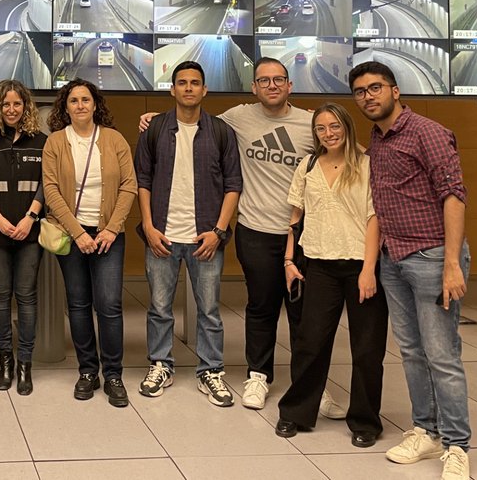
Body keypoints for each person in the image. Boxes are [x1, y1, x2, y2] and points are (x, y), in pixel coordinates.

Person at [138, 57, 343, 417]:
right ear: (254, 88)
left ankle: (305, 385)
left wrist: (218, 231)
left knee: (300, 315)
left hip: (300, 234)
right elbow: (150, 168)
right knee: (257, 310)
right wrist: (152, 116)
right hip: (246, 232)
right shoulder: (233, 119)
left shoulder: (302, 123)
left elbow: (339, 147)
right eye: (264, 80)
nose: (272, 86)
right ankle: (252, 375)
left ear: (290, 85)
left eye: (279, 80)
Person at [349, 62, 472, 480]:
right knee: (413, 353)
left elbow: (453, 195)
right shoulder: (378, 139)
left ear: (396, 90)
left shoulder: (428, 132)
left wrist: (452, 263)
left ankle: (457, 445)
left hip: (434, 257)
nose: (368, 96)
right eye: (361, 91)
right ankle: (428, 429)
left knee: (443, 355)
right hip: (394, 260)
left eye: (375, 88)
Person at [276, 103, 387, 448]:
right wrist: (289, 259)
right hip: (319, 264)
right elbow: (296, 214)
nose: (329, 133)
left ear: (347, 126)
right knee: (311, 342)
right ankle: (296, 413)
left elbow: (375, 219)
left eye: (334, 126)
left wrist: (368, 270)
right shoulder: (308, 164)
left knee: (367, 348)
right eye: (321, 128)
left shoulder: (368, 164)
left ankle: (365, 420)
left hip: (359, 265)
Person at [135, 62, 242, 407]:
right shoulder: (154, 129)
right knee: (159, 307)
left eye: (195, 83)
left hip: (205, 239)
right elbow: (143, 182)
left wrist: (219, 231)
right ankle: (160, 364)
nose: (189, 88)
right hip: (162, 235)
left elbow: (233, 185)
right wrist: (149, 227)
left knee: (209, 309)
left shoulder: (221, 131)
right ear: (173, 89)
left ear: (204, 90)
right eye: (182, 83)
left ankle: (210, 370)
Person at [42, 78, 137, 408]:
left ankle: (113, 374)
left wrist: (111, 229)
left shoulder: (114, 140)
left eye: (85, 99)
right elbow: (51, 191)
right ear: (64, 107)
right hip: (71, 234)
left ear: (96, 104)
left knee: (109, 305)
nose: (80, 105)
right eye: (73, 100)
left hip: (109, 233)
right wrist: (78, 233)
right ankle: (87, 371)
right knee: (78, 304)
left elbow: (129, 187)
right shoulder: (55, 142)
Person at [0, 79, 46, 395]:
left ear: (26, 106)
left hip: (31, 232)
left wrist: (30, 218)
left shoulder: (41, 141)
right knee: (1, 295)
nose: (12, 109)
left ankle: (25, 364)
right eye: (6, 104)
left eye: (17, 104)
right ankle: (6, 360)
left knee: (26, 295)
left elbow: (47, 183)